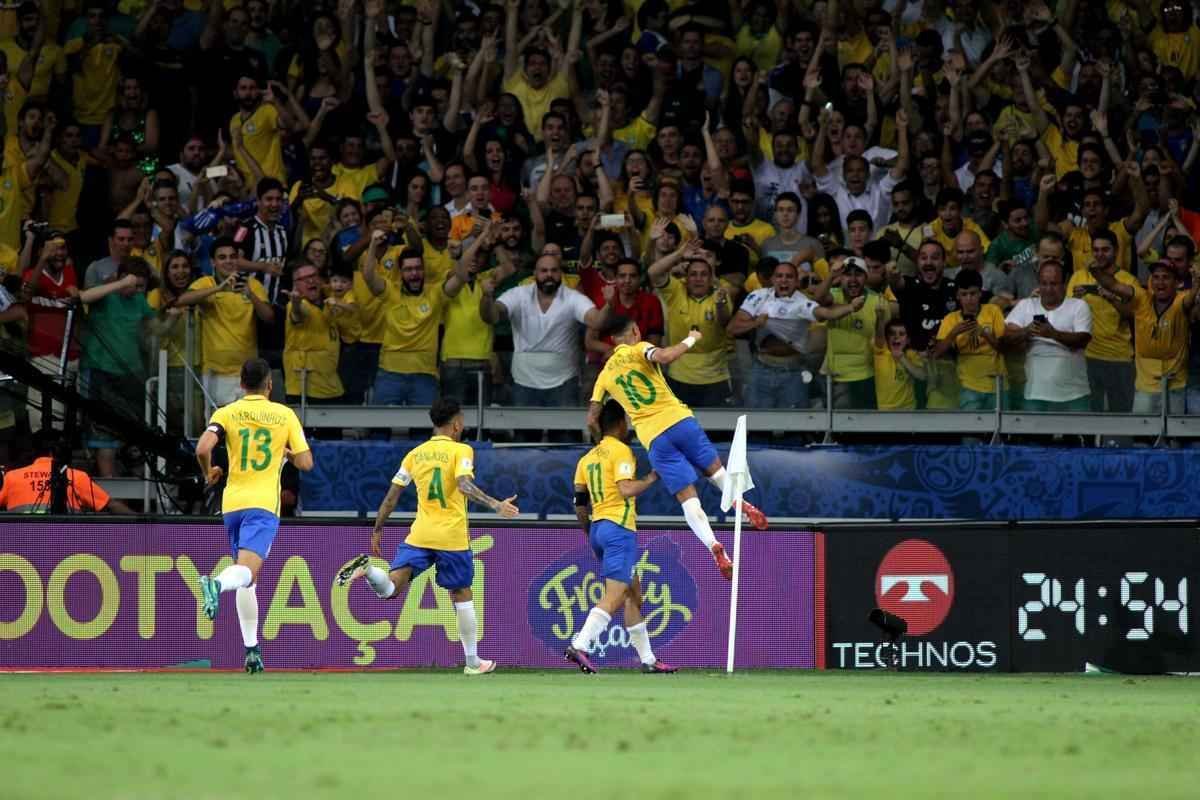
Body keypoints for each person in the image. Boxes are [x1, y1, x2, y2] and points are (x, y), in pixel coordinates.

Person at [337, 397, 519, 676]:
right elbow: (463, 483)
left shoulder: (415, 454)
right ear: (456, 424)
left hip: (420, 535)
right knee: (461, 594)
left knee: (390, 589)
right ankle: (472, 662)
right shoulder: (462, 450)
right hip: (451, 537)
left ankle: (369, 569)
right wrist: (496, 505)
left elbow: (391, 497)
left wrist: (377, 529)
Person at [588, 314, 770, 583]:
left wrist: (601, 441)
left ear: (612, 342)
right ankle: (744, 505)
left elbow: (592, 417)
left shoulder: (604, 376)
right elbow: (664, 357)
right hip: (679, 420)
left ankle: (714, 547)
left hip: (654, 438)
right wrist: (691, 338)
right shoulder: (639, 349)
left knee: (688, 499)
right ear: (636, 331)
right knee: (716, 472)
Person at [196, 358, 314, 674]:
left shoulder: (226, 412)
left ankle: (251, 651)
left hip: (233, 504)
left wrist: (209, 472)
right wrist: (288, 454)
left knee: (249, 580)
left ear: (242, 383)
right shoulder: (284, 415)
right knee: (245, 573)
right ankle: (215, 584)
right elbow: (306, 463)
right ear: (270, 384)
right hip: (263, 505)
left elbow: (202, 447)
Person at [565, 400, 675, 675]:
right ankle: (581, 644)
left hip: (599, 527)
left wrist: (590, 533)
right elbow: (626, 489)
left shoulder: (587, 459)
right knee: (614, 596)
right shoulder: (622, 452)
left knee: (633, 595)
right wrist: (651, 478)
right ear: (620, 423)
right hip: (619, 528)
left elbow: (579, 503)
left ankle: (648, 660)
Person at [1005, 260, 1093, 412]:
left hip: (1074, 393)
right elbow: (1005, 339)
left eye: (1054, 284)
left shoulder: (1078, 306)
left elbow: (1082, 340)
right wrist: (1026, 331)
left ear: (1064, 283)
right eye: (1044, 283)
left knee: (1080, 434)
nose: (1048, 289)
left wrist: (1052, 333)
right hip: (1035, 394)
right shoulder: (1026, 305)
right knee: (1034, 436)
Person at [0, 431, 134, 514]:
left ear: (34, 452)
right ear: (55, 452)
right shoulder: (76, 476)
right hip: (66, 545)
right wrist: (144, 521)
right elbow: (111, 505)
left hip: (18, 545)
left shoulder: (12, 477)